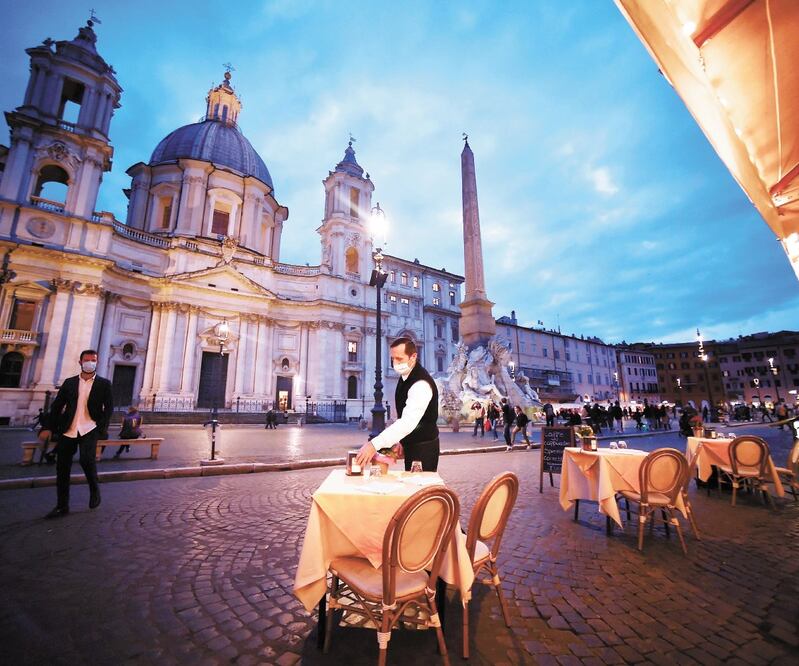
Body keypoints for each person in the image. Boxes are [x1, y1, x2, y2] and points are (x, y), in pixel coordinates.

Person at [42, 349, 113, 518]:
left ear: (97, 362)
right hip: (69, 428)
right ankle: (62, 505)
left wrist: (101, 427)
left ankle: (94, 488)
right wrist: (47, 427)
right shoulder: (69, 383)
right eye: (87, 360)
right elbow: (57, 406)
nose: (90, 363)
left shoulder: (104, 384)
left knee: (86, 460)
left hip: (90, 427)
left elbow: (109, 408)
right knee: (62, 467)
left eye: (93, 360)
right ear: (80, 362)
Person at [356, 337, 440, 472]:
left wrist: (373, 445)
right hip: (413, 444)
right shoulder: (407, 376)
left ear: (413, 357)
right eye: (392, 359)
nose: (395, 363)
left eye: (399, 359)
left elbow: (407, 422)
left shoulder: (421, 384)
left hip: (424, 448)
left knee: (420, 489)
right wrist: (401, 440)